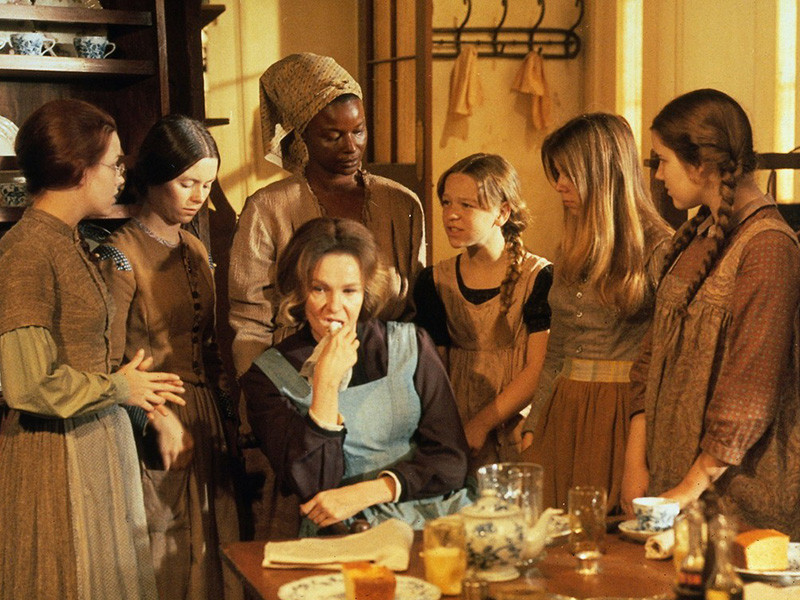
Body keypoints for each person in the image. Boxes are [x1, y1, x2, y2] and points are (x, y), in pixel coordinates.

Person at [228, 52, 426, 539]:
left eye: (359, 130)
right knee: (309, 514)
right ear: (300, 137)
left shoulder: (401, 204)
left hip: (386, 383)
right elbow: (249, 321)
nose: (350, 146)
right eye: (331, 135)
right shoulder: (269, 209)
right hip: (296, 387)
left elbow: (414, 305)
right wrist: (261, 411)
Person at [0, 99, 185, 600]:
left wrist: (145, 403)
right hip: (55, 456)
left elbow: (93, 357)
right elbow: (28, 383)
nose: (121, 177)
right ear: (80, 170)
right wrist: (121, 388)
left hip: (96, 441)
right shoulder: (27, 251)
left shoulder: (70, 241)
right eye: (114, 164)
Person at [621, 89, 800, 539]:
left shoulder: (767, 247)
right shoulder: (696, 235)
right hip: (671, 486)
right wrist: (635, 461)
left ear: (700, 164)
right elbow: (651, 356)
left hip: (734, 500)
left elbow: (749, 390)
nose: (658, 174)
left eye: (663, 160)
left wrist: (687, 489)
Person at [240, 217, 470, 535]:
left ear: (365, 291)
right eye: (319, 289)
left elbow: (452, 462)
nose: (334, 306)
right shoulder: (269, 374)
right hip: (343, 536)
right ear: (299, 290)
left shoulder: (410, 345)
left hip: (433, 521)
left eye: (349, 291)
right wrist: (325, 384)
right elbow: (313, 486)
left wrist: (366, 492)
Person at [96, 115, 241, 599]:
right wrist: (156, 418)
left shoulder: (197, 249)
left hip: (204, 417)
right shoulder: (119, 254)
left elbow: (211, 349)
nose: (199, 196)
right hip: (151, 420)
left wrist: (228, 418)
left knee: (217, 546)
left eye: (208, 184)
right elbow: (105, 359)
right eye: (187, 183)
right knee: (168, 551)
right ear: (156, 177)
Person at [520, 113, 672, 513]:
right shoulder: (571, 245)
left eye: (568, 173)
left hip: (622, 414)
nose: (559, 185)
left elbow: (667, 361)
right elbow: (558, 349)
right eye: (556, 173)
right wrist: (535, 422)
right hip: (564, 410)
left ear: (603, 173)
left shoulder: (659, 248)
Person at [413, 153, 551, 472]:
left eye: (467, 205)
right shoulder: (434, 281)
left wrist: (482, 423)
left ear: (502, 212)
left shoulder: (538, 277)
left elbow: (538, 369)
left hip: (516, 428)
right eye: (447, 203)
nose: (452, 215)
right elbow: (435, 369)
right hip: (456, 430)